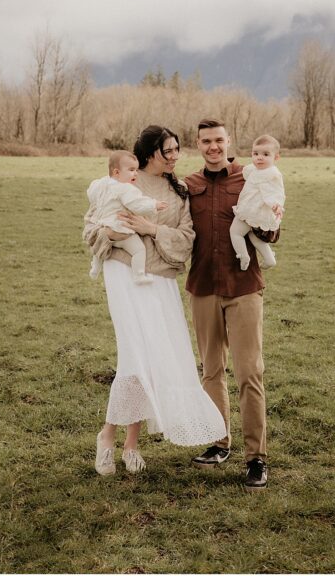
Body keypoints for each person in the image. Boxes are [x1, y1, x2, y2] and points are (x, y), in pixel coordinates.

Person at [86, 125, 226, 476]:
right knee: (134, 356)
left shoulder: (179, 193)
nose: (176, 156)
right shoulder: (122, 182)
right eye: (169, 151)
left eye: (178, 150)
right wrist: (108, 231)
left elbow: (186, 238)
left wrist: (151, 230)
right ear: (150, 153)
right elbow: (92, 225)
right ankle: (107, 437)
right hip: (125, 273)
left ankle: (130, 445)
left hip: (160, 278)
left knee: (150, 361)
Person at [185, 119, 280, 491]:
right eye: (206, 141)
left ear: (229, 142)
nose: (213, 146)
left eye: (219, 140)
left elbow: (273, 223)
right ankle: (218, 443)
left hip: (243, 289)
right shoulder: (188, 186)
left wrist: (268, 227)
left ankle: (256, 458)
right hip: (204, 287)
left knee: (249, 374)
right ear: (198, 144)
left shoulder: (251, 176)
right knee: (211, 371)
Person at [85, 150, 168, 284]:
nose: (135, 173)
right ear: (117, 172)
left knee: (100, 244)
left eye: (136, 169)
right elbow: (137, 204)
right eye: (131, 170)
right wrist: (154, 205)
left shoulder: (101, 184)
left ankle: (95, 267)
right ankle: (139, 275)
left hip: (103, 226)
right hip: (121, 229)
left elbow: (91, 194)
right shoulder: (126, 188)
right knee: (139, 250)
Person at [230, 134, 285, 271]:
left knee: (235, 233)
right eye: (256, 154)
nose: (259, 157)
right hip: (256, 214)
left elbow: (277, 192)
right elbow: (244, 172)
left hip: (251, 210)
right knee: (253, 236)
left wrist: (276, 205)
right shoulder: (254, 169)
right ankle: (269, 259)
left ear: (276, 157)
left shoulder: (272, 174)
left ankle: (243, 255)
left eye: (266, 154)